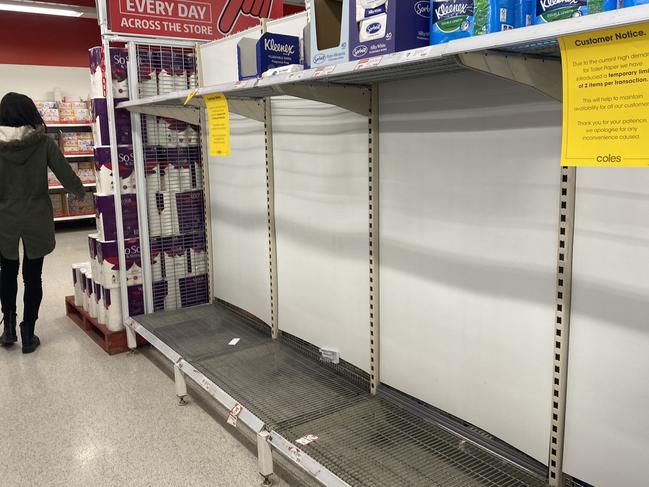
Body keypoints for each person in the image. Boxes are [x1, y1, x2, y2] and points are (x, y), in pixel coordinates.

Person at [0, 92, 85, 353]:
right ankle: (28, 333)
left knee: (7, 272)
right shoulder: (43, 143)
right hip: (36, 216)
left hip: (5, 218)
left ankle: (9, 327)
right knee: (33, 276)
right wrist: (81, 191)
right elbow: (66, 174)